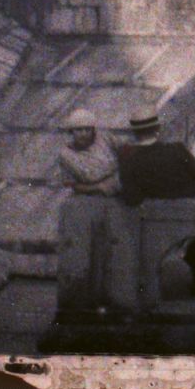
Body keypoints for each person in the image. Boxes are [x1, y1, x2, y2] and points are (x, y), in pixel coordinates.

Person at [56, 108, 128, 312]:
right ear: (71, 132)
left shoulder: (105, 139)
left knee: (115, 252)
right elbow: (73, 183)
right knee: (90, 255)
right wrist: (99, 186)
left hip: (116, 200)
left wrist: (117, 179)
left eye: (87, 129)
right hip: (89, 204)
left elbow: (126, 155)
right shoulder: (66, 154)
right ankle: (89, 302)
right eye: (78, 130)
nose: (83, 134)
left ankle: (115, 300)